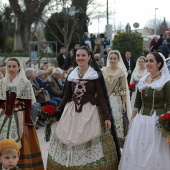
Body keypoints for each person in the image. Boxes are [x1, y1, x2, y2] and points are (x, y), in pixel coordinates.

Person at [47, 46, 120, 169]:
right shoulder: (71, 74)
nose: (80, 58)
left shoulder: (95, 74)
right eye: (78, 56)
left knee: (89, 140)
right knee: (69, 140)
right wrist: (57, 113)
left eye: (83, 55)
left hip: (90, 112)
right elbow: (66, 96)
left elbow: (102, 97)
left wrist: (107, 117)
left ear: (89, 57)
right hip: (71, 114)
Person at [119, 52, 170, 170]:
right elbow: (137, 104)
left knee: (156, 150)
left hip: (158, 121)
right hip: (140, 121)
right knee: (139, 149)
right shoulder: (142, 80)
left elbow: (169, 105)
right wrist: (132, 121)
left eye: (151, 61)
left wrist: (168, 125)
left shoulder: (166, 81)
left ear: (159, 64)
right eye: (146, 61)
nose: (148, 63)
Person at [0, 58, 44, 170]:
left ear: (19, 67)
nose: (11, 69)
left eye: (14, 66)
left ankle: (19, 166)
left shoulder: (25, 82)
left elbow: (28, 104)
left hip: (20, 116)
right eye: (9, 66)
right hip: (3, 116)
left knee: (22, 142)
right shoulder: (2, 82)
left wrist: (27, 122)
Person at [101, 50, 131, 148]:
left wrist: (123, 105)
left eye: (115, 59)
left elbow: (123, 89)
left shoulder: (121, 72)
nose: (112, 60)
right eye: (111, 58)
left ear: (118, 60)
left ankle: (116, 143)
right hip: (104, 99)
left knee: (116, 119)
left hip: (116, 99)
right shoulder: (103, 70)